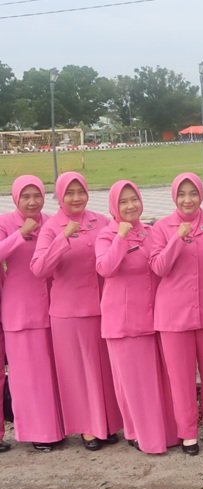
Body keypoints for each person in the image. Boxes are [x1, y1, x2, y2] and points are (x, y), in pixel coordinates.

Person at [31, 172, 122, 451]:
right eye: (69, 193)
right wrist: (62, 239)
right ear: (59, 196)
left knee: (103, 370)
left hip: (103, 308)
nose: (76, 198)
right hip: (69, 312)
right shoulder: (51, 227)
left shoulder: (100, 221)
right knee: (78, 372)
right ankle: (87, 428)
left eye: (80, 191)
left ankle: (106, 423)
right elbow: (39, 269)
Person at [95, 181, 177, 454]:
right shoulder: (107, 235)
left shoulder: (151, 232)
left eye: (134, 199)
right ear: (114, 207)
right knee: (135, 383)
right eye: (123, 202)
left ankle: (163, 432)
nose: (131, 206)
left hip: (154, 317)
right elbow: (105, 268)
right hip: (124, 321)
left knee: (157, 381)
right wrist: (121, 237)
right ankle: (144, 436)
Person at [149, 173, 203, 456]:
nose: (187, 200)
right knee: (180, 378)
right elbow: (158, 267)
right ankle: (187, 431)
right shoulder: (161, 227)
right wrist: (176, 240)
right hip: (173, 316)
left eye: (193, 193)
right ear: (174, 197)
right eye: (181, 194)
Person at [0, 176, 63, 451]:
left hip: (53, 309)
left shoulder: (51, 221)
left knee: (53, 374)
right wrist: (19, 235)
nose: (32, 202)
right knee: (29, 377)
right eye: (25, 196)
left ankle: (58, 428)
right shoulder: (6, 224)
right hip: (20, 312)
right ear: (16, 198)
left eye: (36, 195)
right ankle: (38, 432)